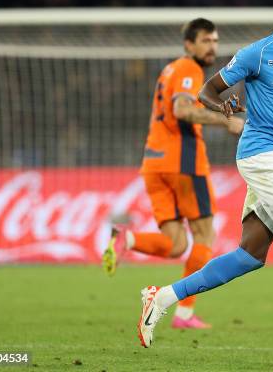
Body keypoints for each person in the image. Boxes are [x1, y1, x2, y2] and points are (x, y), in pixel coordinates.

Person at [137, 0, 273, 358]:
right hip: (260, 153)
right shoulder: (258, 53)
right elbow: (206, 91)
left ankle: (162, 297)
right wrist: (225, 107)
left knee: (251, 255)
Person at [102, 18, 244, 329]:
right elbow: (181, 110)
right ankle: (184, 313)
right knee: (205, 235)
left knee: (176, 244)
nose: (212, 47)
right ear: (189, 44)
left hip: (153, 164)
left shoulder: (169, 70)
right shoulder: (188, 69)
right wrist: (226, 119)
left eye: (215, 41)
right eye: (206, 40)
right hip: (183, 164)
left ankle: (126, 238)